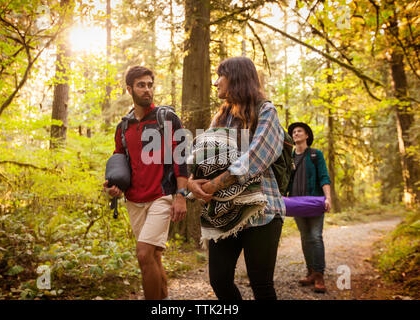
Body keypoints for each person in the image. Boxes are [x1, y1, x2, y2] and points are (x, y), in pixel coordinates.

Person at [188, 56, 285, 300]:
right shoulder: (219, 119)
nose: (216, 82)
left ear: (237, 78)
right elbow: (203, 155)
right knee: (219, 280)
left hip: (262, 210)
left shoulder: (266, 111)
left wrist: (213, 184)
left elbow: (257, 157)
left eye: (221, 75)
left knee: (261, 284)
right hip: (224, 212)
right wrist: (190, 182)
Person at [104, 66, 188, 300]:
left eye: (150, 84)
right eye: (141, 85)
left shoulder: (167, 118)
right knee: (153, 257)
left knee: (143, 254)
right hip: (134, 200)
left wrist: (181, 196)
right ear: (129, 89)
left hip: (161, 196)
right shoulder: (123, 127)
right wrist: (114, 186)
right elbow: (120, 162)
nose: (147, 89)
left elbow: (181, 157)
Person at [287, 122, 331, 293]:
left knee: (315, 237)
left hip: (314, 203)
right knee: (305, 238)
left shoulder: (315, 154)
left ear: (306, 136)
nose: (296, 133)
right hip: (296, 204)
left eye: (300, 131)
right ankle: (310, 272)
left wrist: (328, 198)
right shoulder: (290, 157)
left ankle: (319, 275)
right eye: (294, 132)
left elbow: (324, 177)